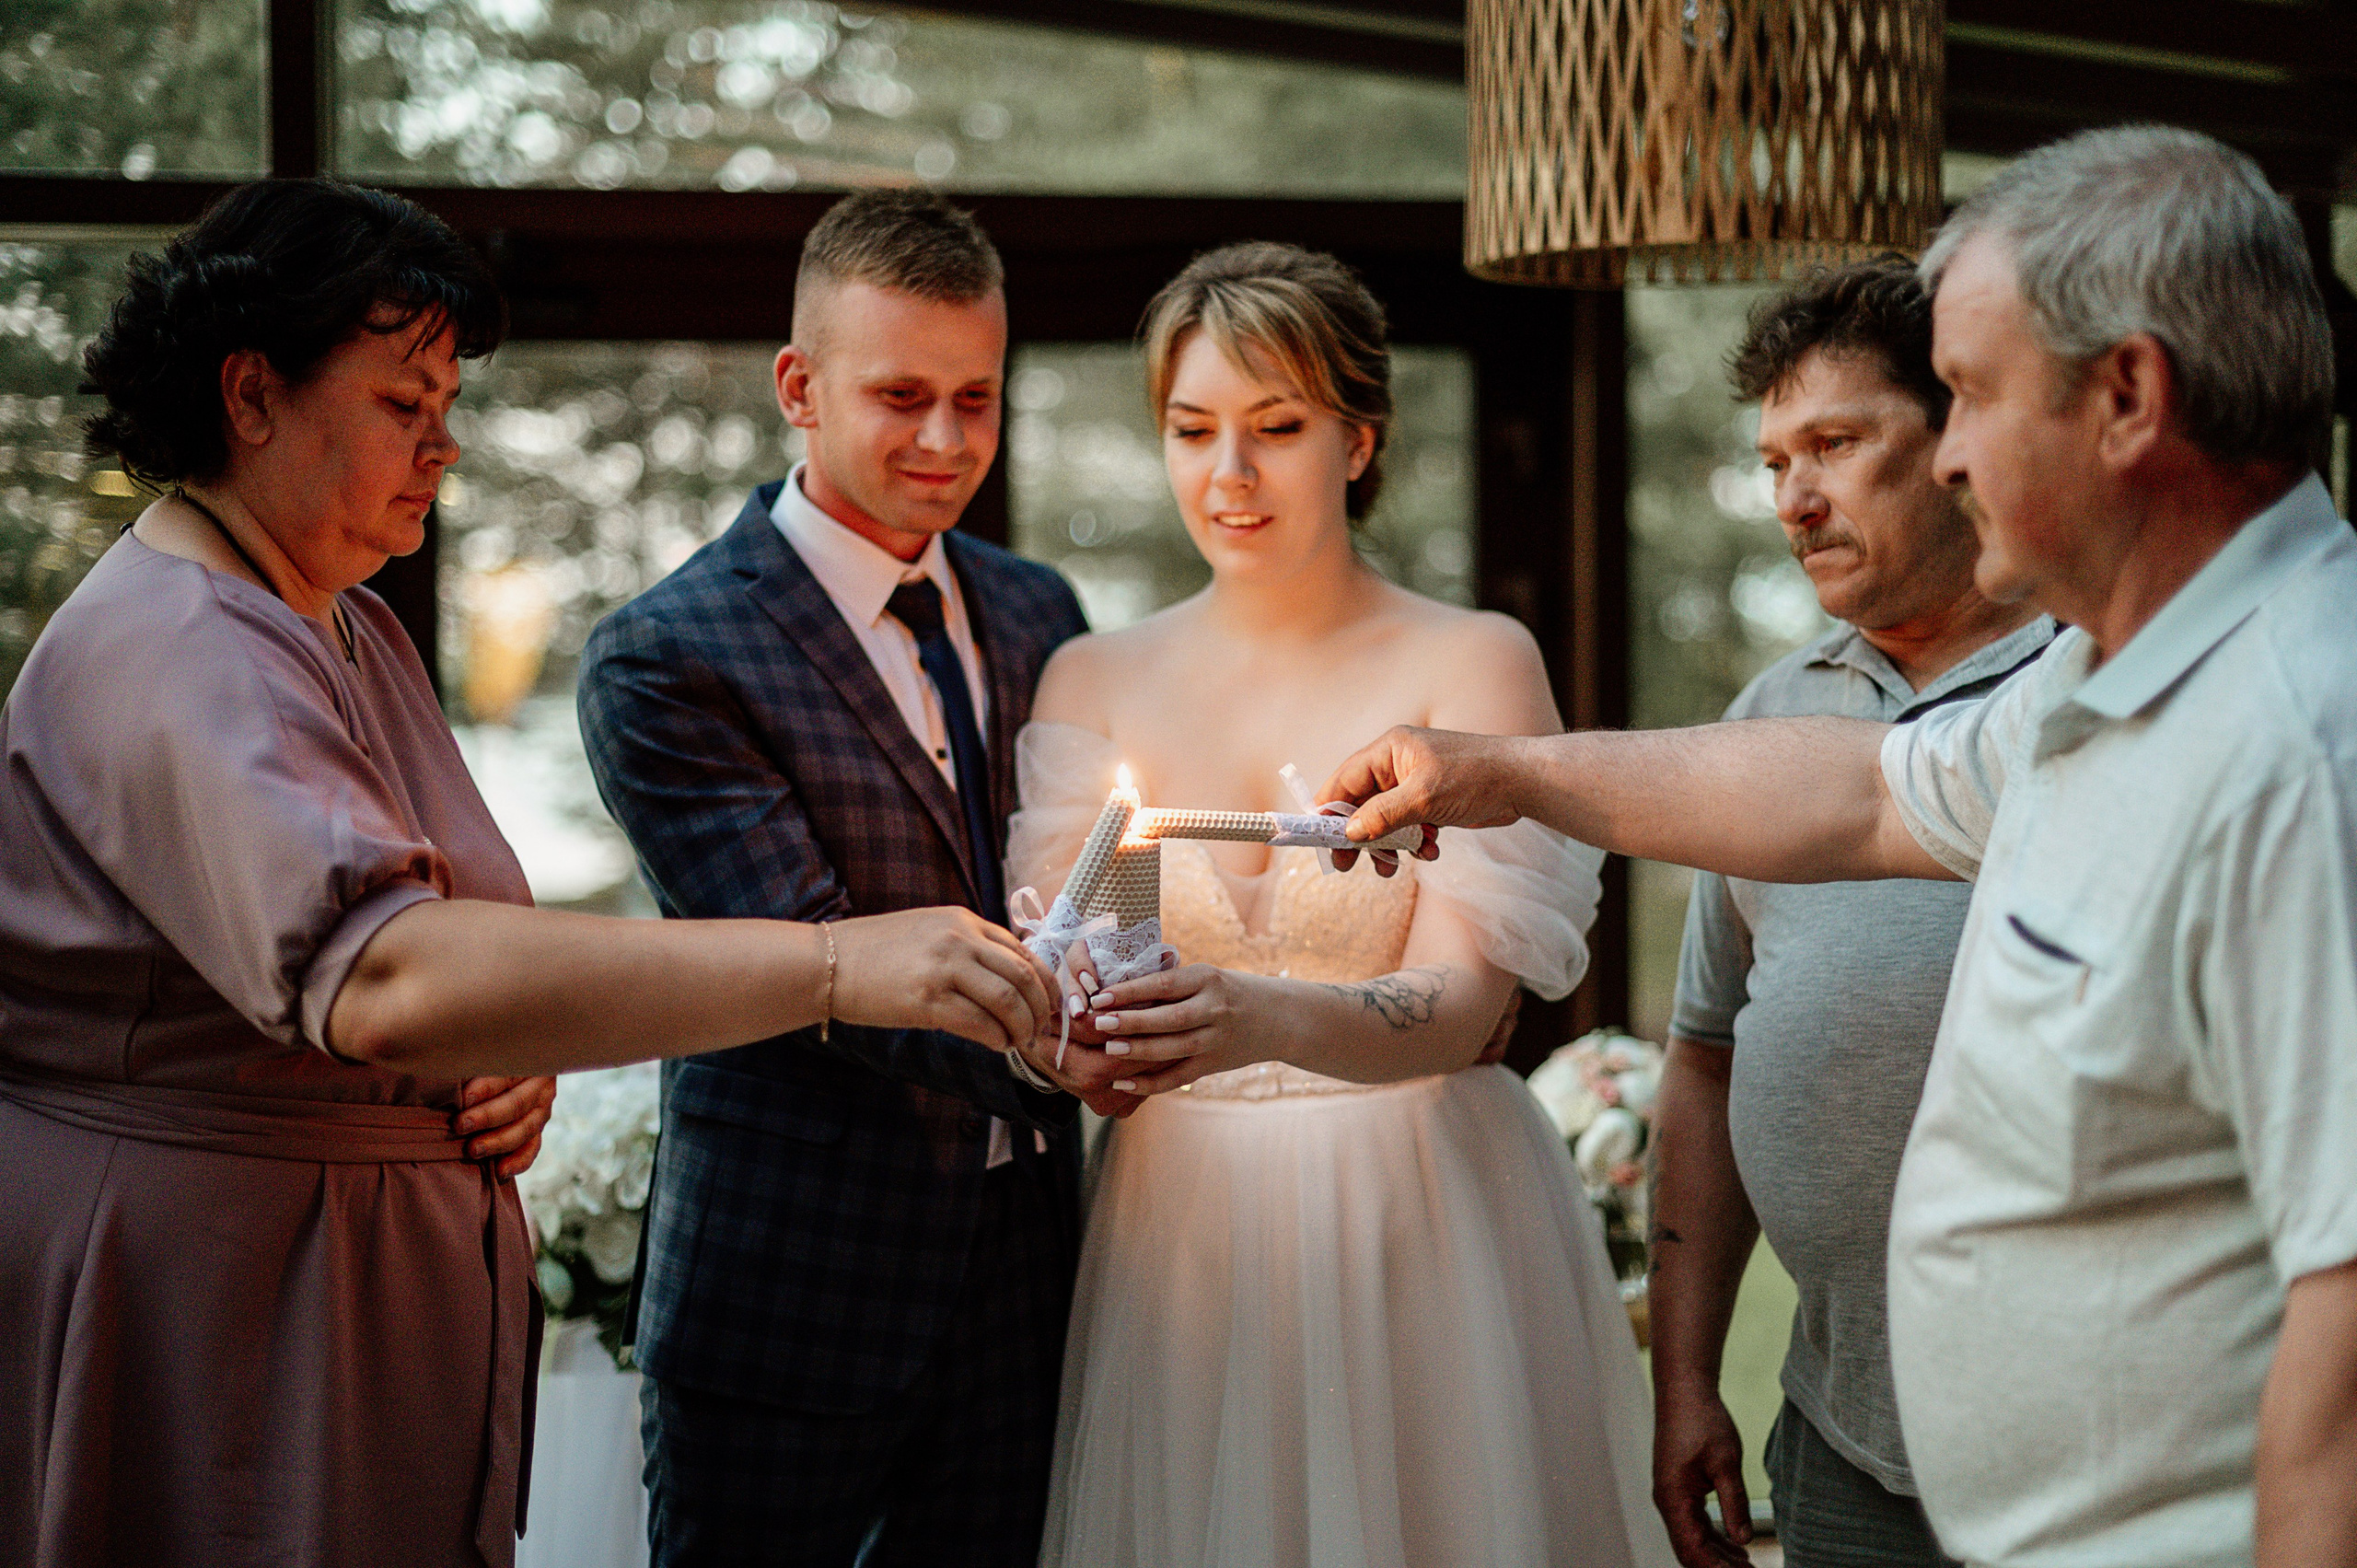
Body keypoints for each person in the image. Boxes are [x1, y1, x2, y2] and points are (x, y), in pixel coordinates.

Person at [1320, 127, 2357, 1568]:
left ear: (2127, 397)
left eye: (1978, 395)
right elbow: (1858, 798)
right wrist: (1496, 770)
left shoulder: (2306, 743)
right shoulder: (2113, 684)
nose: (1959, 450)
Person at [0, 180, 1057, 1568]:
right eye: (403, 401)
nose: (445, 444)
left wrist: (494, 1054)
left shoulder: (344, 626)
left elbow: (435, 960)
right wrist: (838, 962)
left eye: (448, 402)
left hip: (357, 1294)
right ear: (250, 394)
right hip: (216, 1306)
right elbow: (384, 976)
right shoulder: (176, 643)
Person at [1018, 241, 1674, 1568]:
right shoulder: (1089, 679)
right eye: (1192, 430)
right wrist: (1075, 1034)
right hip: (1179, 1234)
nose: (1229, 474)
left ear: (1359, 439)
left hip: (1420, 1209)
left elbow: (1467, 1004)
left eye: (1278, 428)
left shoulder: (1472, 661)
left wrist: (1253, 1012)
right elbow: (1083, 969)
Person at [576, 190, 1119, 1568]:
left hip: (1026, 1280)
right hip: (793, 1289)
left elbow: (1096, 870)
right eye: (901, 397)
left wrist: (1144, 972)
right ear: (798, 389)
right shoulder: (668, 656)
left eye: (977, 399)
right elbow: (810, 953)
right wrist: (1086, 1049)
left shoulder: (1040, 608)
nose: (947, 442)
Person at [1646, 258, 2053, 1568]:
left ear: (1959, 438)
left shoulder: (2092, 687)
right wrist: (1685, 1379)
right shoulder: (1765, 721)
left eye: (1834, 443)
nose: (1794, 499)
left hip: (2077, 1442)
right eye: (1773, 463)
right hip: (1838, 1444)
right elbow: (1705, 1058)